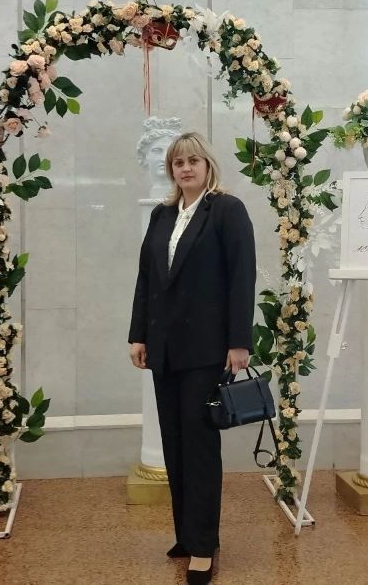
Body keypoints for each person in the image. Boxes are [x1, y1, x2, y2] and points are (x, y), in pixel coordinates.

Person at [128, 132, 256, 584]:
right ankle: (187, 534)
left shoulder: (227, 210)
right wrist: (138, 335)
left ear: (207, 165)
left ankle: (203, 546)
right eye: (178, 163)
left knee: (199, 448)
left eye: (193, 161)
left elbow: (242, 277)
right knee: (175, 445)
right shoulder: (162, 215)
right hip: (164, 349)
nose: (185, 168)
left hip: (206, 349)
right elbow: (147, 278)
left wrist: (239, 342)